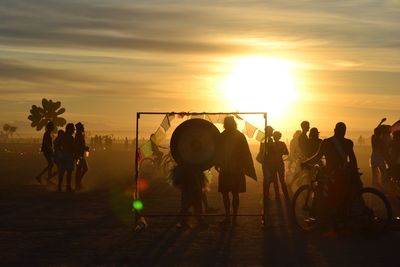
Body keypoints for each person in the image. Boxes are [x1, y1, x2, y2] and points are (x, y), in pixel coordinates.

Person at [301, 122, 362, 230]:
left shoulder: (327, 142)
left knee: (323, 193)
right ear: (344, 132)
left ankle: (325, 217)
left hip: (330, 173)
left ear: (334, 131)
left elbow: (317, 157)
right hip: (344, 173)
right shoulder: (348, 143)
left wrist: (305, 162)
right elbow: (353, 159)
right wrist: (355, 173)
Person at [215, 116, 257, 226]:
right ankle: (233, 218)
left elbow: (217, 152)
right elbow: (246, 153)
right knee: (234, 194)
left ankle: (229, 217)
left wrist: (217, 163)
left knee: (226, 194)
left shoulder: (222, 136)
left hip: (227, 169)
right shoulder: (239, 136)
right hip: (236, 170)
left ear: (225, 123)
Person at [171, 164, 207, 229]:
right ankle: (193, 221)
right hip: (190, 181)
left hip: (190, 182)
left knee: (191, 203)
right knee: (192, 203)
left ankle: (190, 221)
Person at [269, 131, 290, 202]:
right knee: (281, 180)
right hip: (279, 163)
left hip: (273, 164)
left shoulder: (271, 144)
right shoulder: (282, 144)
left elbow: (268, 154)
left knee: (276, 181)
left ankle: (278, 196)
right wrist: (280, 152)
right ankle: (286, 196)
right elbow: (286, 152)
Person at [58, 123, 76, 192]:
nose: (74, 131)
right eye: (73, 129)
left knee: (62, 172)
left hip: (63, 155)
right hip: (69, 156)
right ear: (70, 130)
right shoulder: (70, 137)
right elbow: (73, 147)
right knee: (69, 172)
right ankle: (68, 187)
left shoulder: (62, 136)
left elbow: (57, 145)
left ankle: (59, 187)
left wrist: (60, 152)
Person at [74, 122, 89, 191]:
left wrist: (84, 148)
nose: (83, 128)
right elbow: (78, 146)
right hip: (79, 155)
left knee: (82, 169)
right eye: (82, 127)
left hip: (80, 155)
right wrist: (84, 148)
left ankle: (79, 183)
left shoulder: (79, 135)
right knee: (81, 169)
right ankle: (78, 184)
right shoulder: (78, 136)